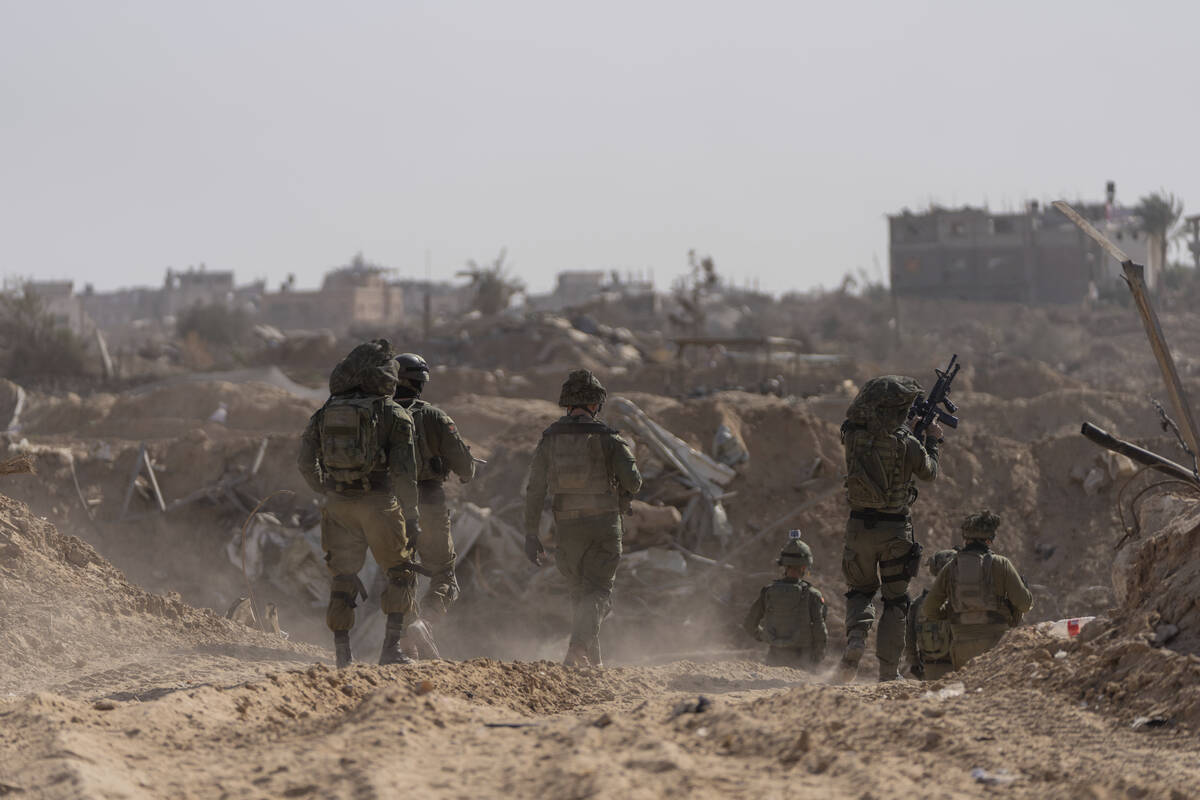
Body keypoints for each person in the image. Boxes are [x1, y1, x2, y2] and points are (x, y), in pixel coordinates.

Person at [297, 339, 421, 668]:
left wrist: (325, 490)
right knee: (400, 573)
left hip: (337, 505)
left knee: (342, 577)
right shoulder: (393, 413)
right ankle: (391, 649)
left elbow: (305, 462)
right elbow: (406, 474)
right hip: (379, 504)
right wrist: (412, 517)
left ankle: (343, 653)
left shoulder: (325, 412)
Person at [523, 369, 642, 667]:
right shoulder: (610, 439)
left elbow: (535, 489)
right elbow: (634, 481)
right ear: (596, 404)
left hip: (567, 526)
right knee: (599, 591)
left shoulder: (549, 439)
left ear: (567, 402)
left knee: (580, 594)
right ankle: (577, 651)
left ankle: (592, 662)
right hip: (603, 524)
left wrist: (530, 533)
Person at [837, 375, 943, 682]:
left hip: (858, 527)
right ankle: (887, 672)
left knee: (859, 591)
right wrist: (931, 440)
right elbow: (929, 473)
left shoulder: (852, 435)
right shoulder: (907, 443)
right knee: (895, 600)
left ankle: (856, 638)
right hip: (895, 531)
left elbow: (877, 442)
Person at [392, 353, 477, 618]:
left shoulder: (380, 415)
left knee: (399, 574)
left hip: (388, 504)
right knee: (443, 576)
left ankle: (400, 638)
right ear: (422, 382)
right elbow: (466, 467)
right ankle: (423, 624)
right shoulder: (435, 416)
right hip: (427, 500)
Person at [922, 511, 1034, 669]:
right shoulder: (1001, 564)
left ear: (965, 540)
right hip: (997, 644)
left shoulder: (950, 568)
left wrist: (950, 610)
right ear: (989, 540)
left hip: (961, 645)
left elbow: (929, 609)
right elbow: (1024, 604)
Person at [742, 531, 828, 669]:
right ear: (805, 567)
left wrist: (766, 636)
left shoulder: (768, 592)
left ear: (783, 565)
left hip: (774, 658)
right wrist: (818, 657)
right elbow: (820, 630)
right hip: (803, 660)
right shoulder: (813, 595)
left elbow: (749, 624)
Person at [904, 549, 958, 680]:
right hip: (960, 669)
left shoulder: (919, 603)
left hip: (930, 669)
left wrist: (914, 663)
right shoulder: (961, 600)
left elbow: (909, 638)